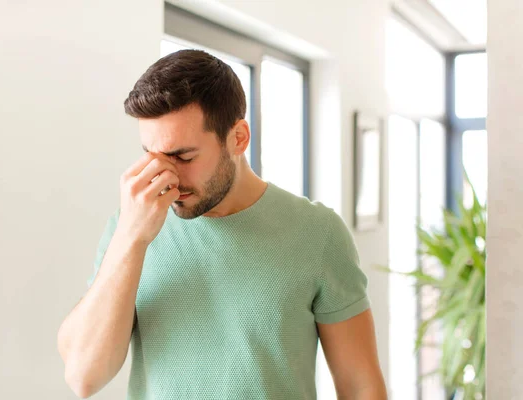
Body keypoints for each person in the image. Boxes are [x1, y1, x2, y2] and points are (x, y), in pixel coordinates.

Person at [57, 49, 387, 399]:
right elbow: (84, 377)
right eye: (151, 156)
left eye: (183, 156)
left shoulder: (317, 233)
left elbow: (360, 386)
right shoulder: (129, 227)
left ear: (239, 138)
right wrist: (130, 238)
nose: (165, 176)